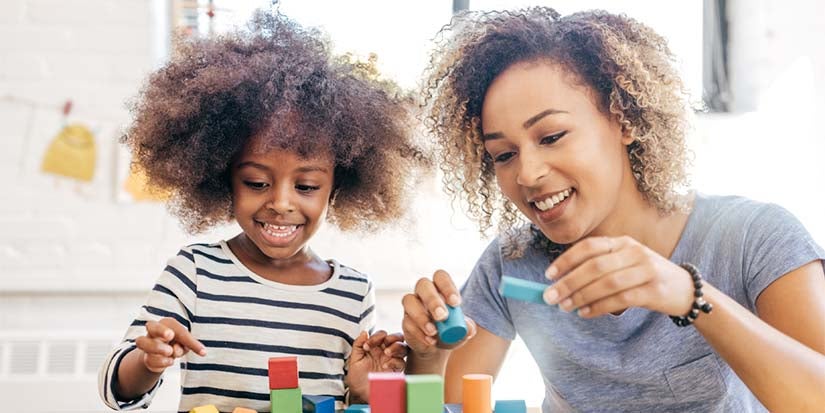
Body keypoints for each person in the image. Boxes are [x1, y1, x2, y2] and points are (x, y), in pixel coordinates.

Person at [402, 7, 825, 412]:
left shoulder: (755, 237)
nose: (527, 174)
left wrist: (689, 295)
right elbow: (451, 405)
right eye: (503, 154)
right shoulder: (512, 264)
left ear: (624, 121)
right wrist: (424, 357)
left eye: (551, 136)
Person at [98, 10, 425, 412]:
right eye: (256, 183)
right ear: (224, 179)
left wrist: (361, 392)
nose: (281, 203)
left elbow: (342, 404)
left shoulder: (352, 293)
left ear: (336, 189)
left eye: (305, 186)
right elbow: (118, 391)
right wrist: (149, 361)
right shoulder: (196, 272)